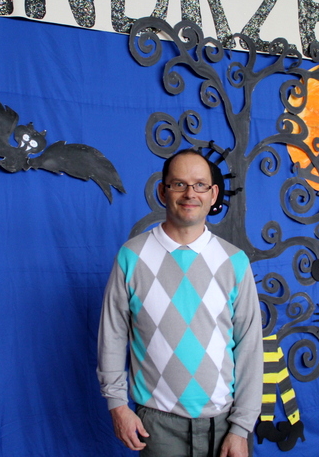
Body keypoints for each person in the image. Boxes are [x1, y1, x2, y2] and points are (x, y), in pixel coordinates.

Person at [97, 149, 263, 457]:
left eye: (200, 185)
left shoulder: (234, 262)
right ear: (163, 192)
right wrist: (117, 405)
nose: (190, 193)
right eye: (179, 184)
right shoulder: (131, 257)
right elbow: (112, 337)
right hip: (157, 426)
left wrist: (242, 427)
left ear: (213, 194)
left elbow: (250, 347)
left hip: (225, 425)